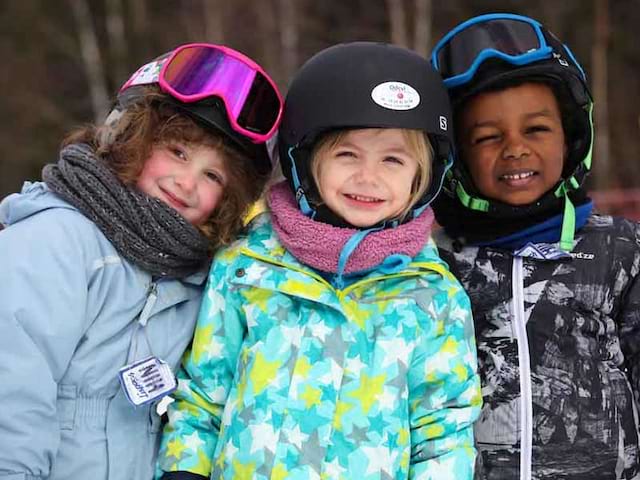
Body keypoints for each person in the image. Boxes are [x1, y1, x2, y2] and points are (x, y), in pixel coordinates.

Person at [156, 41, 482, 480]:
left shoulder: (432, 296)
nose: (368, 177)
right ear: (307, 160)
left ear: (421, 177)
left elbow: (443, 432)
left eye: (393, 159)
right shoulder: (248, 265)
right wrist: (183, 471)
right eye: (347, 154)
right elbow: (203, 394)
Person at [0, 43, 282, 479]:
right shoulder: (54, 242)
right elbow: (12, 395)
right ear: (130, 137)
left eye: (213, 176)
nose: (186, 183)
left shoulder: (195, 277)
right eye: (177, 152)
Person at [430, 13, 640, 479]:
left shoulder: (622, 252)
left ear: (571, 137)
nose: (515, 148)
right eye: (487, 137)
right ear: (457, 158)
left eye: (537, 130)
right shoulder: (436, 264)